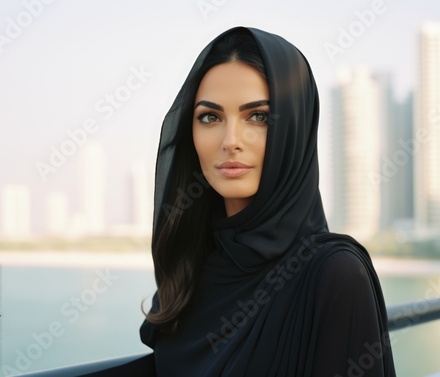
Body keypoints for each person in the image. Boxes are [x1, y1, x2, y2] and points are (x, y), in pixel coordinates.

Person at [138, 26, 397, 376]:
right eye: (210, 117)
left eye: (258, 116)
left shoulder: (334, 276)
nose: (231, 141)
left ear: (295, 128)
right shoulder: (190, 271)